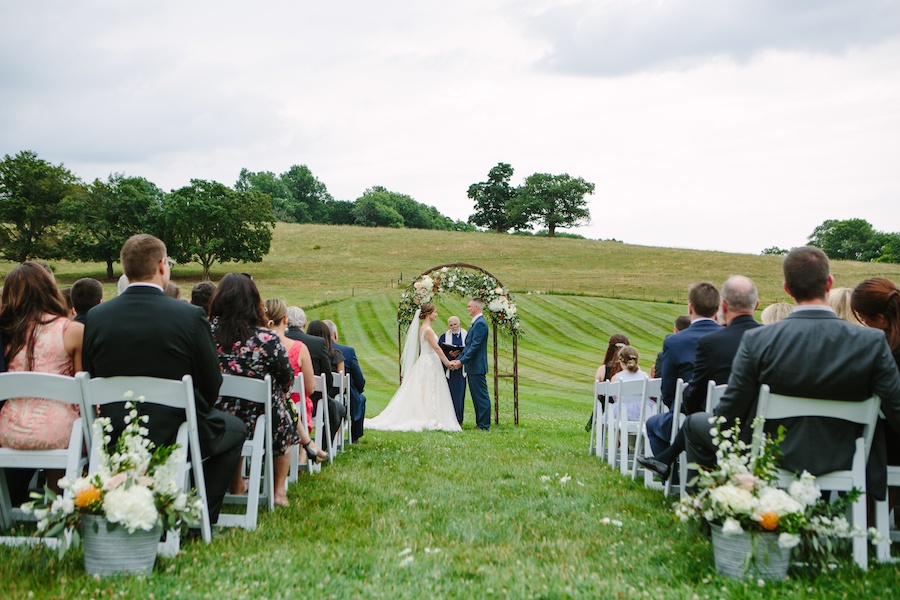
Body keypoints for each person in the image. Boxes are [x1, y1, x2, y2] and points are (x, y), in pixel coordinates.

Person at [683, 247, 900, 502]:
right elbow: (896, 409)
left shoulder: (758, 340)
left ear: (787, 288)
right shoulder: (871, 341)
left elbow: (730, 416)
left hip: (773, 454)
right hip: (848, 455)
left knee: (695, 424)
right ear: (829, 283)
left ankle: (709, 511)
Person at [82, 234, 246, 524]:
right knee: (234, 430)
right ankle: (199, 517)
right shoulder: (190, 315)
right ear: (161, 265)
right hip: (175, 430)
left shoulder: (96, 316)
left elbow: (90, 372)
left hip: (116, 432)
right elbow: (211, 383)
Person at [638, 275, 760, 480]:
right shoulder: (769, 338)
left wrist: (687, 405)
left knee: (689, 421)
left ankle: (676, 476)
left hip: (714, 421)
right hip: (758, 423)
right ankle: (666, 461)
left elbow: (673, 393)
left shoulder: (710, 342)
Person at [209, 273, 300, 507]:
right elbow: (286, 377)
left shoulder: (207, 333)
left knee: (235, 412)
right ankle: (278, 491)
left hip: (215, 413)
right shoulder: (266, 338)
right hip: (260, 416)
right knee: (284, 417)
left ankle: (236, 484)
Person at [0, 262, 84, 502]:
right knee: (70, 422)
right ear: (49, 289)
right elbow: (82, 388)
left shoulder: (7, 333)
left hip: (8, 430)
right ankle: (58, 506)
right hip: (60, 432)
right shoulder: (72, 330)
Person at [645, 282, 722, 458]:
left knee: (652, 424)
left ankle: (672, 479)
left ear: (690, 307)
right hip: (723, 418)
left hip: (684, 415)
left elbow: (668, 392)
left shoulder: (675, 342)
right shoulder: (727, 337)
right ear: (718, 309)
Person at [367, 303, 461, 431]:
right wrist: (446, 362)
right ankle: (430, 417)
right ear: (428, 314)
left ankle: (430, 415)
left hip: (429, 360)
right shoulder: (427, 330)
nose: (436, 314)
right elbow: (436, 347)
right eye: (434, 312)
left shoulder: (424, 328)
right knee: (430, 388)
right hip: (429, 361)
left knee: (426, 388)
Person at [264, 298, 327, 464]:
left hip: (258, 407)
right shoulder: (298, 348)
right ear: (285, 319)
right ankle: (302, 452)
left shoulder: (256, 346)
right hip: (293, 407)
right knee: (294, 403)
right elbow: (310, 388)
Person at [852, 277, 900, 472]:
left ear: (881, 319)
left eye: (864, 319)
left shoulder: (885, 356)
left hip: (889, 452)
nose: (863, 325)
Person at [450, 298, 492, 431]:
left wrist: (461, 362)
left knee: (481, 396)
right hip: (472, 366)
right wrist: (459, 359)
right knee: (476, 396)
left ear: (476, 307)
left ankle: (484, 425)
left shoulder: (480, 324)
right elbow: (468, 346)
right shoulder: (476, 323)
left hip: (477, 366)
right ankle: (480, 423)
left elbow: (475, 347)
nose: (467, 308)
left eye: (469, 306)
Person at [326, 320, 368, 442]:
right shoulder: (348, 352)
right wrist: (360, 389)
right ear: (335, 335)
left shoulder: (313, 349)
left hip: (319, 393)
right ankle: (355, 436)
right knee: (361, 398)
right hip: (342, 394)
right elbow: (358, 377)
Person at [609, 345, 651, 421]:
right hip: (644, 412)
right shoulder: (646, 376)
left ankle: (620, 433)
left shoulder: (616, 378)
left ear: (621, 362)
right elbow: (650, 394)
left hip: (622, 413)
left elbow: (615, 398)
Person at [439, 316, 467, 425]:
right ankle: (448, 419)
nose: (453, 327)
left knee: (459, 395)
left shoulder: (466, 335)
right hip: (449, 370)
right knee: (448, 394)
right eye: (451, 325)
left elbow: (470, 349)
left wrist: (460, 356)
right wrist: (449, 355)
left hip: (461, 370)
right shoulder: (444, 337)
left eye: (455, 324)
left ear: (459, 324)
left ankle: (459, 419)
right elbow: (440, 351)